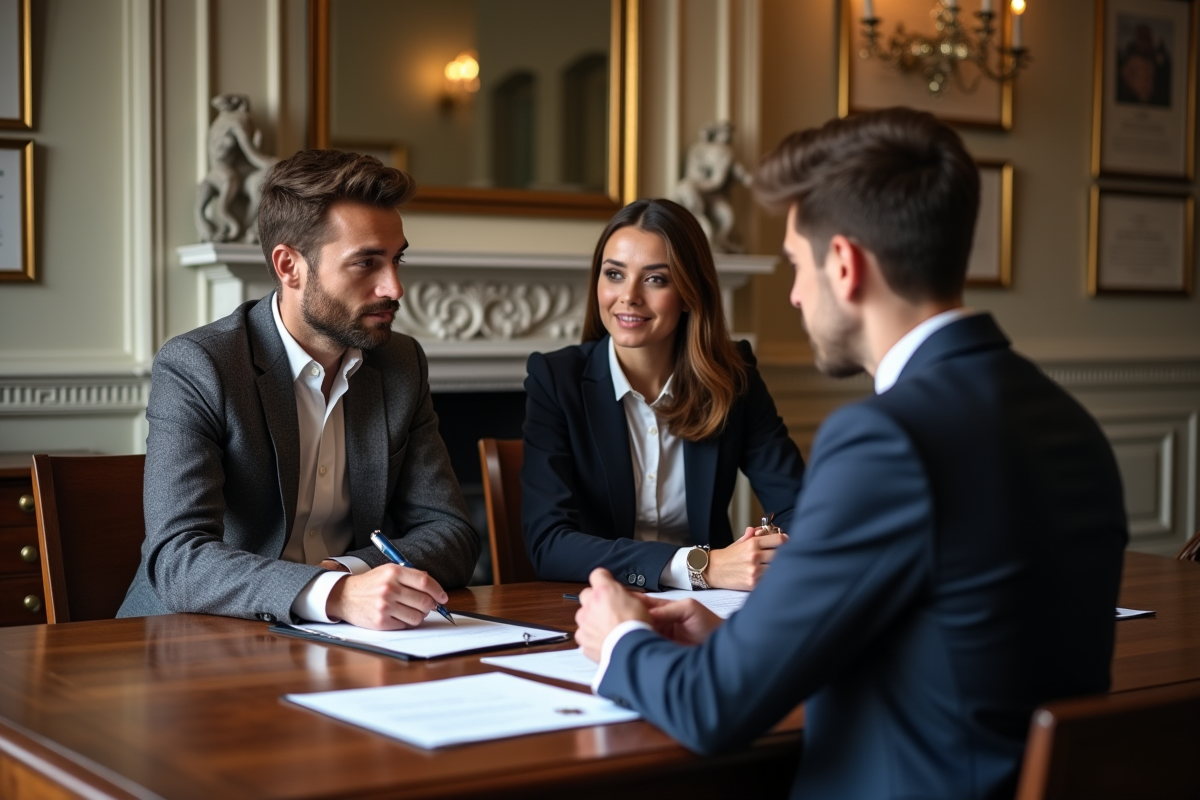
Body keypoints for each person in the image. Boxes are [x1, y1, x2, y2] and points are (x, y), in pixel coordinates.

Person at [574, 108, 1129, 799]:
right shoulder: (1070, 422)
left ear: (844, 264)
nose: (797, 295)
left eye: (797, 267)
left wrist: (621, 639)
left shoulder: (884, 442)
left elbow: (709, 712)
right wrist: (727, 646)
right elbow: (946, 636)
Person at [118, 150, 479, 629]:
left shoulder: (400, 364)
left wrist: (340, 580)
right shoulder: (200, 366)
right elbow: (178, 558)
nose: (395, 287)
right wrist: (335, 595)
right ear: (289, 266)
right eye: (366, 263)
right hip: (198, 639)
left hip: (343, 639)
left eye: (396, 260)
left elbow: (451, 532)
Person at [521, 198, 805, 593]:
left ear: (690, 292)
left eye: (656, 279)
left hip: (714, 608)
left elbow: (798, 506)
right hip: (599, 606)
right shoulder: (555, 379)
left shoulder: (733, 374)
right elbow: (548, 544)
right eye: (614, 274)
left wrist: (769, 551)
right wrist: (700, 567)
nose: (629, 296)